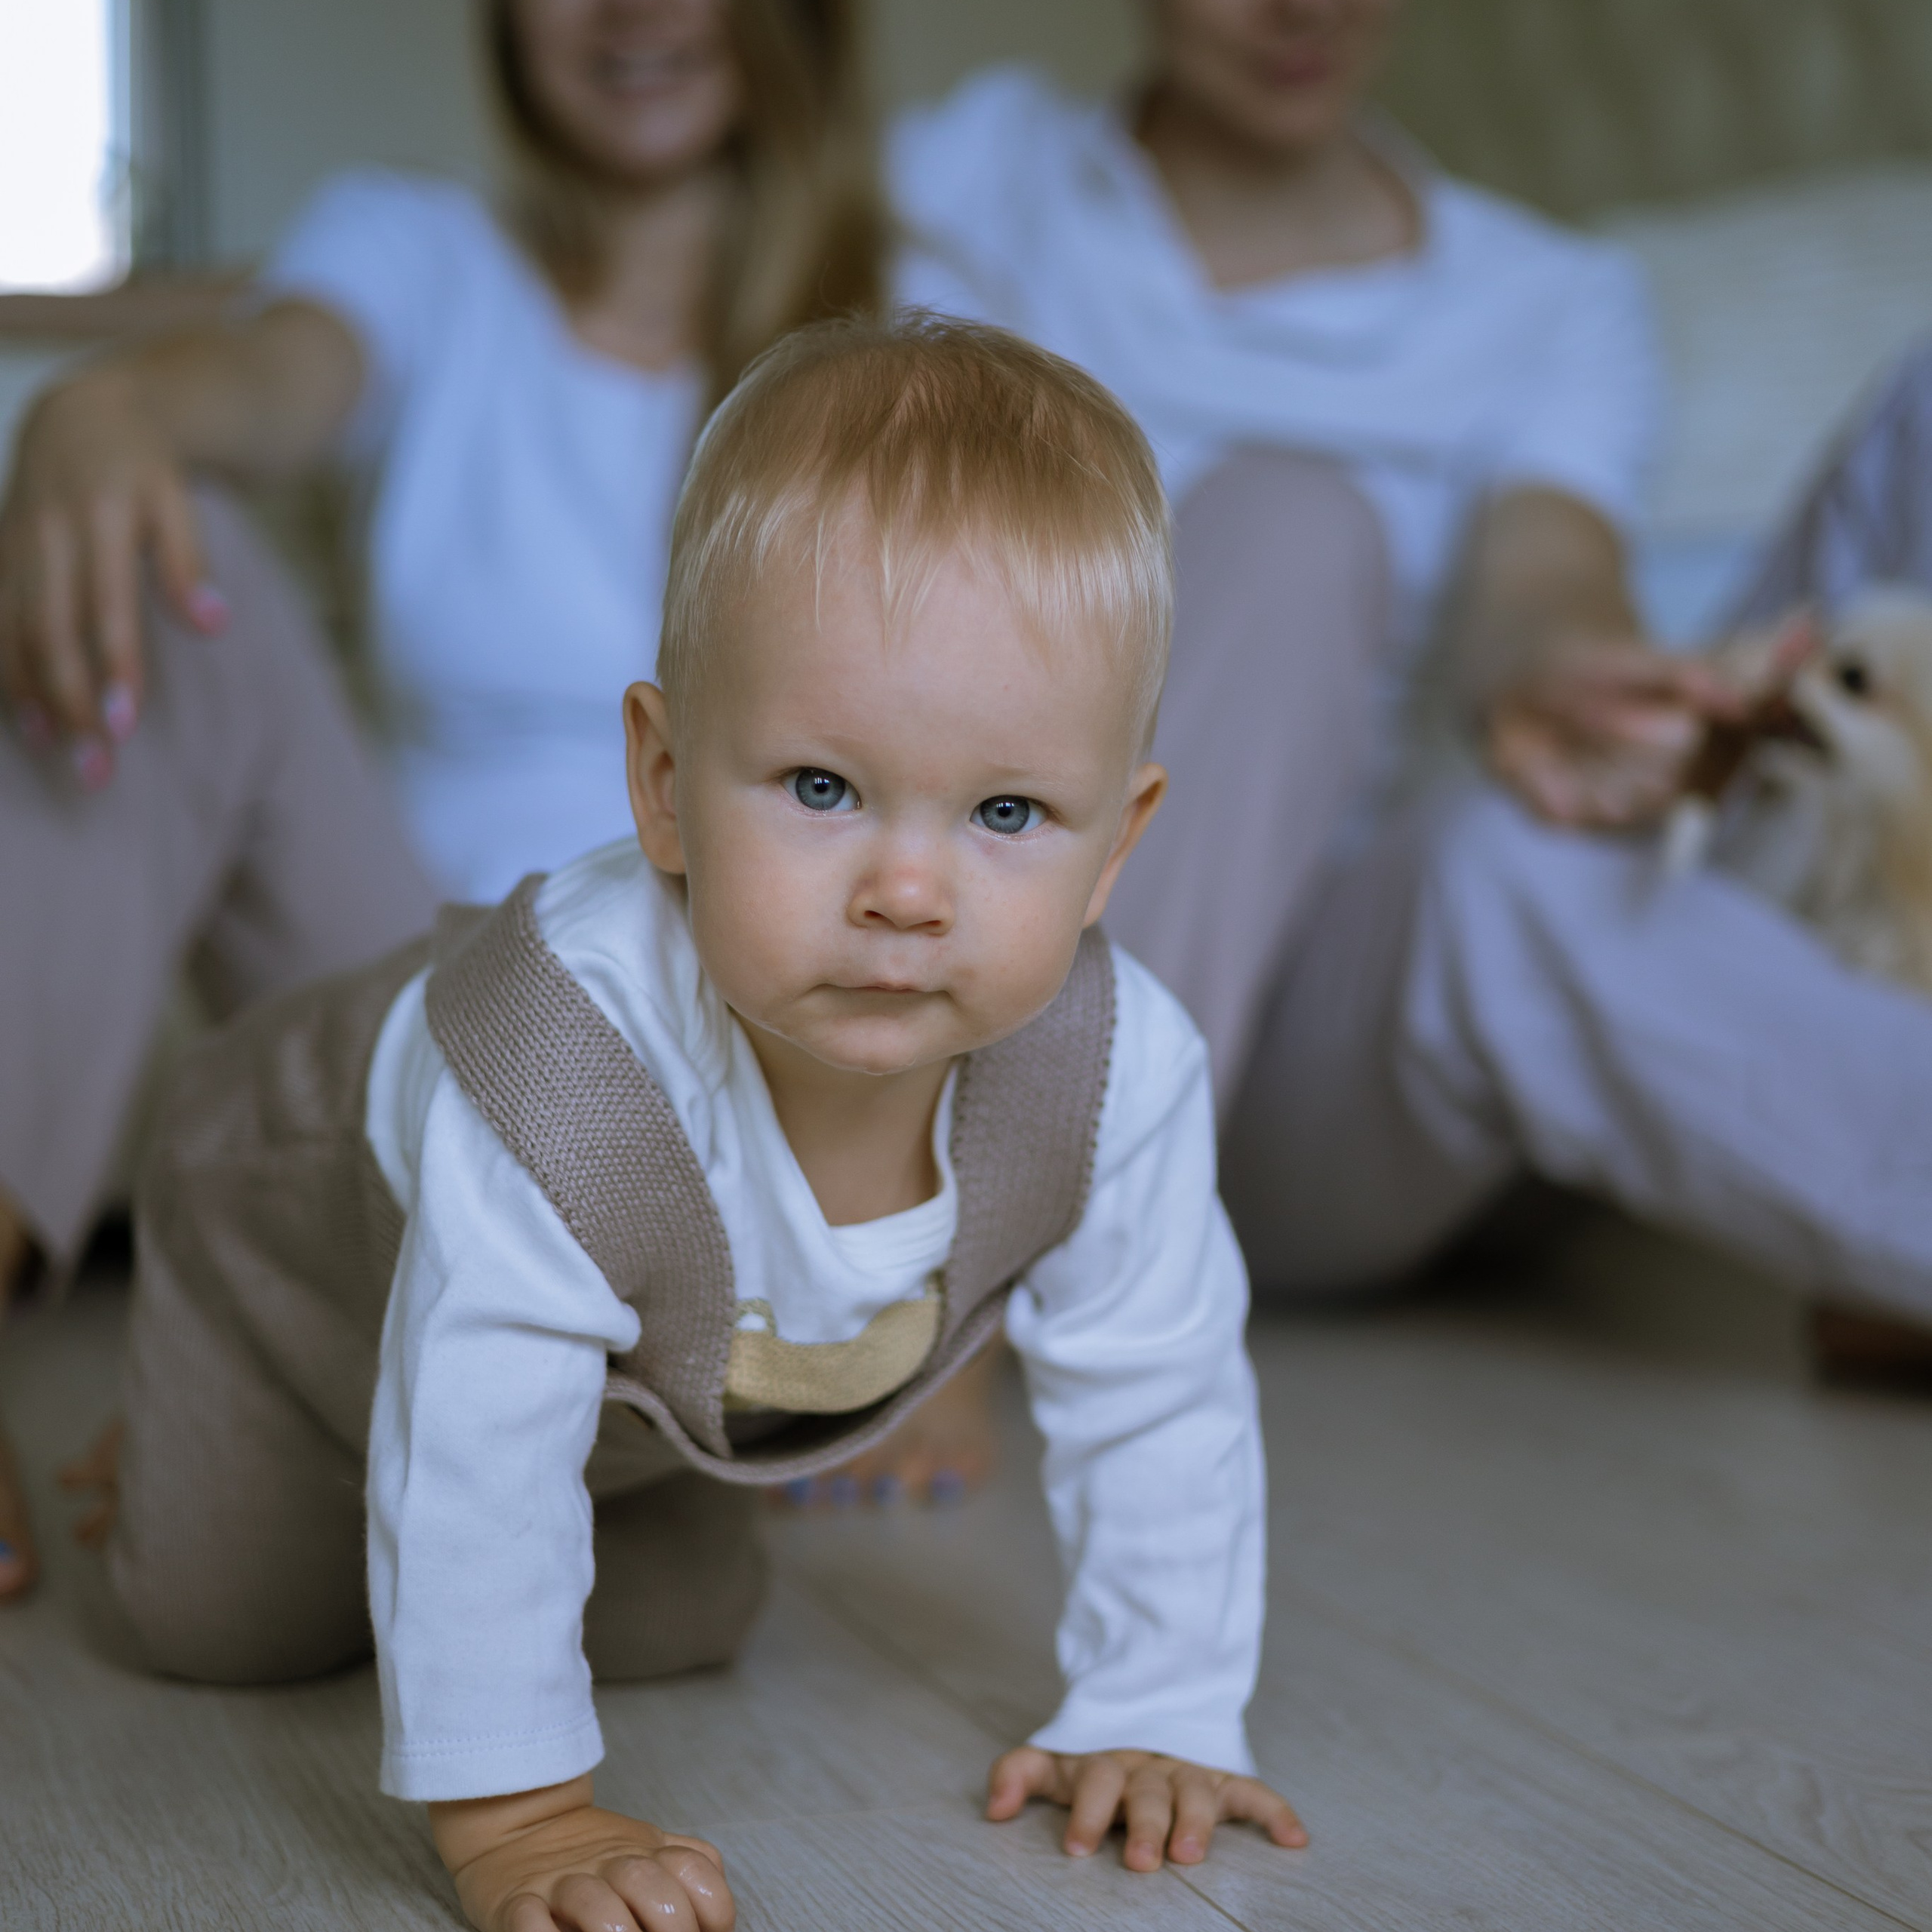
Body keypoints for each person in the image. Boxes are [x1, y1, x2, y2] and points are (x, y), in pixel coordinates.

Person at [103, 317, 1305, 1930]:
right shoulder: (567, 1058)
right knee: (217, 1622)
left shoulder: (1114, 1071)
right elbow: (479, 1434)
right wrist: (523, 1816)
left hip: (616, 1389)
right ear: (662, 779)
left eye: (1006, 812)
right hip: (293, 1230)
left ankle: (334, 1506)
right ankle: (201, 1423)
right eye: (819, 785)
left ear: (1113, 845)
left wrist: (1157, 1701)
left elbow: (1159, 1389)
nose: (903, 887)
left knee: (677, 1616)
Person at [0, 0, 891, 1601]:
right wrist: (103, 411)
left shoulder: (909, 325)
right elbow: (268, 377)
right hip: (401, 1006)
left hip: (716, 1082)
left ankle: (346, 1389)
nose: (633, 14)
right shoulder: (413, 251)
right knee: (169, 570)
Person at [890, 0, 1932, 1329]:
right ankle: (991, 1245)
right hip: (1031, 982)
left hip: (1340, 1058)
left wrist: (1565, 673)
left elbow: (1546, 573)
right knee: (1295, 524)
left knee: (1504, 871)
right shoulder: (964, 187)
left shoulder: (1541, 297)